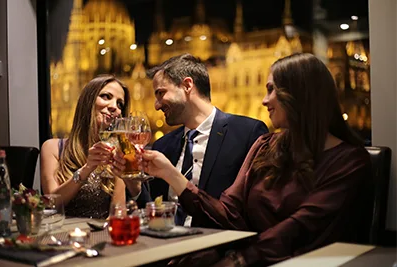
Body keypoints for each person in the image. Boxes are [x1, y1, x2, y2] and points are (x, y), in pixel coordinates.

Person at [141, 53, 372, 266]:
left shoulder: (350, 161)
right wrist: (171, 174)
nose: (264, 100)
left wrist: (237, 259)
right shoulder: (265, 146)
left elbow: (300, 228)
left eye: (272, 89)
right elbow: (229, 213)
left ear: (300, 94)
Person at [135, 53, 268, 227]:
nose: (156, 105)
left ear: (187, 85)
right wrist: (133, 185)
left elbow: (252, 214)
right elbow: (152, 212)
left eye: (161, 93)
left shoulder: (247, 134)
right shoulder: (163, 145)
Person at [41, 75, 131, 219]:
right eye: (106, 96)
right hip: (61, 234)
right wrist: (87, 168)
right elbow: (52, 203)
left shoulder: (117, 153)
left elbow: (118, 214)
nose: (115, 107)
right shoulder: (53, 147)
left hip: (100, 235)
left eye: (120, 104)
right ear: (88, 101)